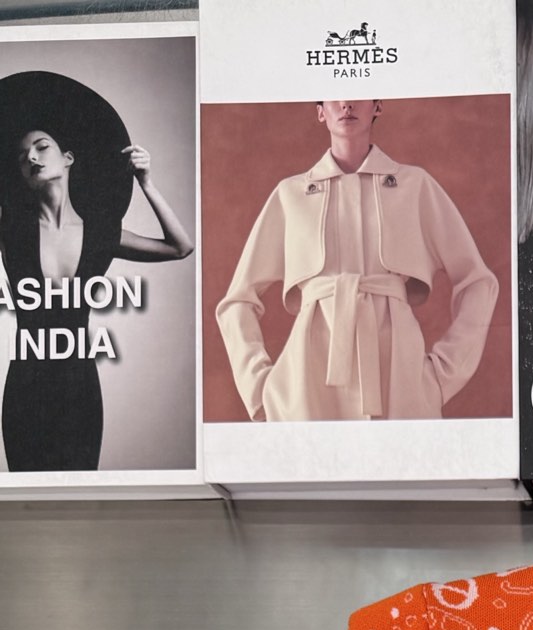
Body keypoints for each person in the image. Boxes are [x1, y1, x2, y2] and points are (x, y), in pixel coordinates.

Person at [215, 99, 499, 423]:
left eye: (357, 94)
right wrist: (260, 389)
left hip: (400, 382)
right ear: (320, 111)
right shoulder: (290, 194)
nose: (346, 103)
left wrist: (442, 376)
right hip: (306, 386)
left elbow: (478, 282)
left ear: (377, 106)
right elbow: (237, 302)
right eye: (334, 95)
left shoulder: (414, 185)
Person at [0, 69, 193, 471]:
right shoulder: (10, 229)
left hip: (80, 385)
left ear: (68, 158)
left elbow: (181, 247)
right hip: (25, 386)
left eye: (41, 147)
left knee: (79, 490)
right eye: (22, 156)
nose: (31, 157)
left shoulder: (103, 233)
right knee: (31, 493)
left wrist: (146, 183)